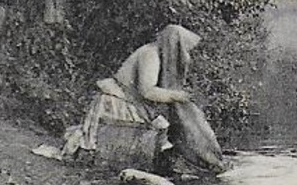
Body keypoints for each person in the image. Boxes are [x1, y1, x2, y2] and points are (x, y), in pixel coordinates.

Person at [63, 24, 226, 173]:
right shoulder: (151, 54)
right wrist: (177, 96)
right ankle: (124, 164)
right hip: (117, 101)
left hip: (130, 101)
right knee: (153, 129)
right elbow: (147, 91)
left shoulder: (156, 55)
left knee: (161, 126)